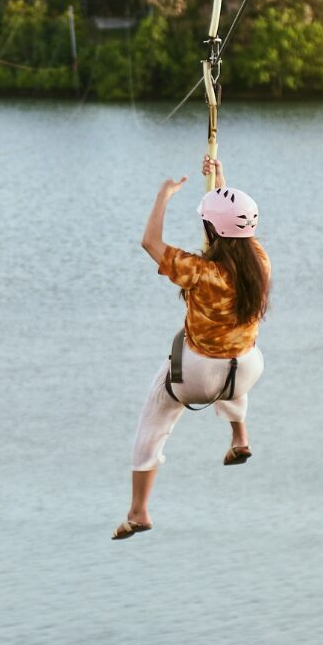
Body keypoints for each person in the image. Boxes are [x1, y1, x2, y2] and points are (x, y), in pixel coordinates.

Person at [117, 157, 270, 541]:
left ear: (211, 229)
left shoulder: (200, 273)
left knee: (154, 419)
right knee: (234, 361)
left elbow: (150, 243)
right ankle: (239, 437)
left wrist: (163, 196)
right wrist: (219, 182)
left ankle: (138, 511)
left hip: (200, 376)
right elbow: (230, 230)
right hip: (246, 371)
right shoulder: (260, 262)